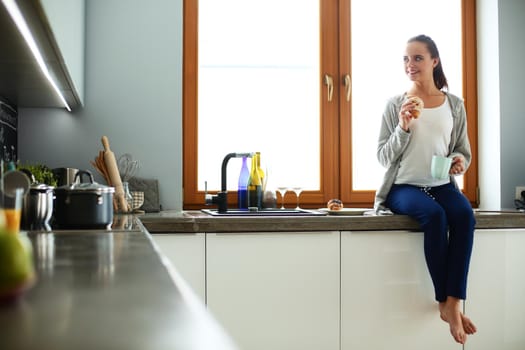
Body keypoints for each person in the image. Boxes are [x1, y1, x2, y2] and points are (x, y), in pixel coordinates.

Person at [374, 34, 477, 344]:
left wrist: (459, 162)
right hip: (403, 186)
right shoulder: (396, 105)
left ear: (434, 61)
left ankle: (453, 302)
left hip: (442, 183)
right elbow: (383, 157)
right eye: (406, 59)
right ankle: (445, 302)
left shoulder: (454, 105)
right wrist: (403, 128)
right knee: (435, 216)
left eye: (417, 58)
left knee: (464, 217)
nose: (410, 65)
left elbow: (462, 150)